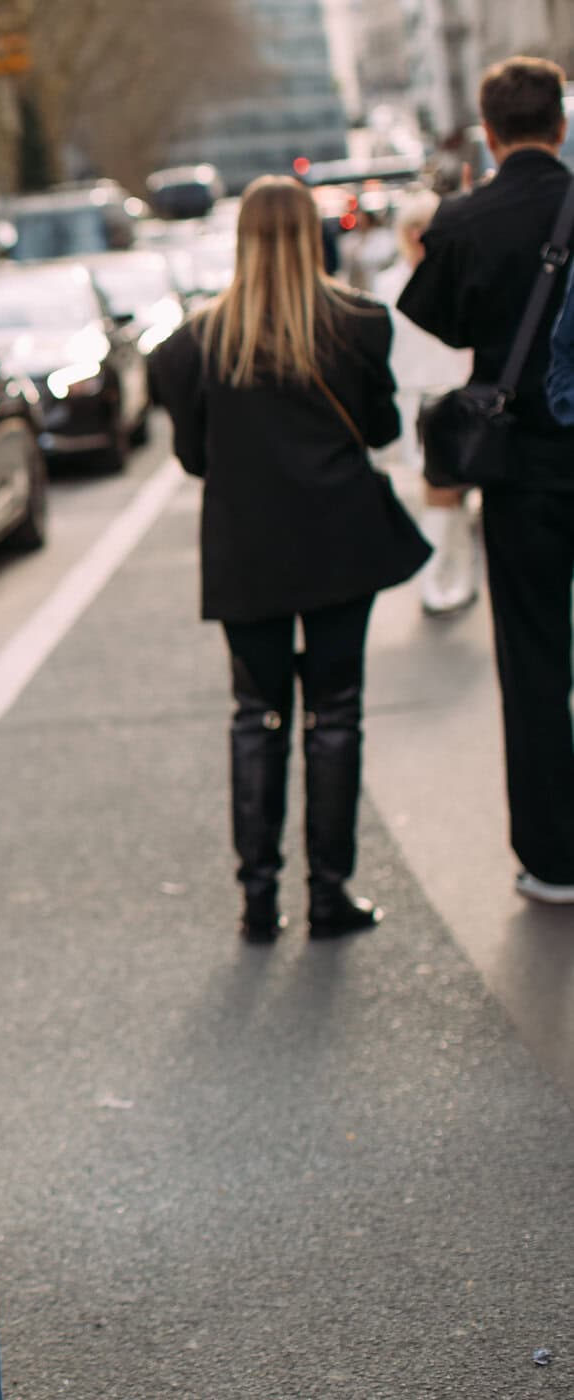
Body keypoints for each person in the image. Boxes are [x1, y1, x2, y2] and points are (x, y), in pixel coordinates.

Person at [151, 176, 430, 942]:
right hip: (340, 539)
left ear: (243, 239)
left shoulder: (193, 343)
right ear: (314, 237)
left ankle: (258, 900)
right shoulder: (358, 323)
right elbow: (379, 430)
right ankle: (329, 894)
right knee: (336, 713)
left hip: (248, 547)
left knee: (257, 714)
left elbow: (195, 456)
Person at [399, 56, 574, 905]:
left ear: (490, 131)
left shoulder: (470, 218)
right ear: (563, 125)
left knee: (535, 658)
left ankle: (553, 857)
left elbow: (435, 316)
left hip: (522, 470)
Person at [371, 191, 477, 613]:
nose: (418, 236)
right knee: (442, 492)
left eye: (426, 227)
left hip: (463, 394)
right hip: (419, 400)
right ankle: (437, 580)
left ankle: (456, 578)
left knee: (454, 494)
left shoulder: (460, 274)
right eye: (411, 227)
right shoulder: (388, 282)